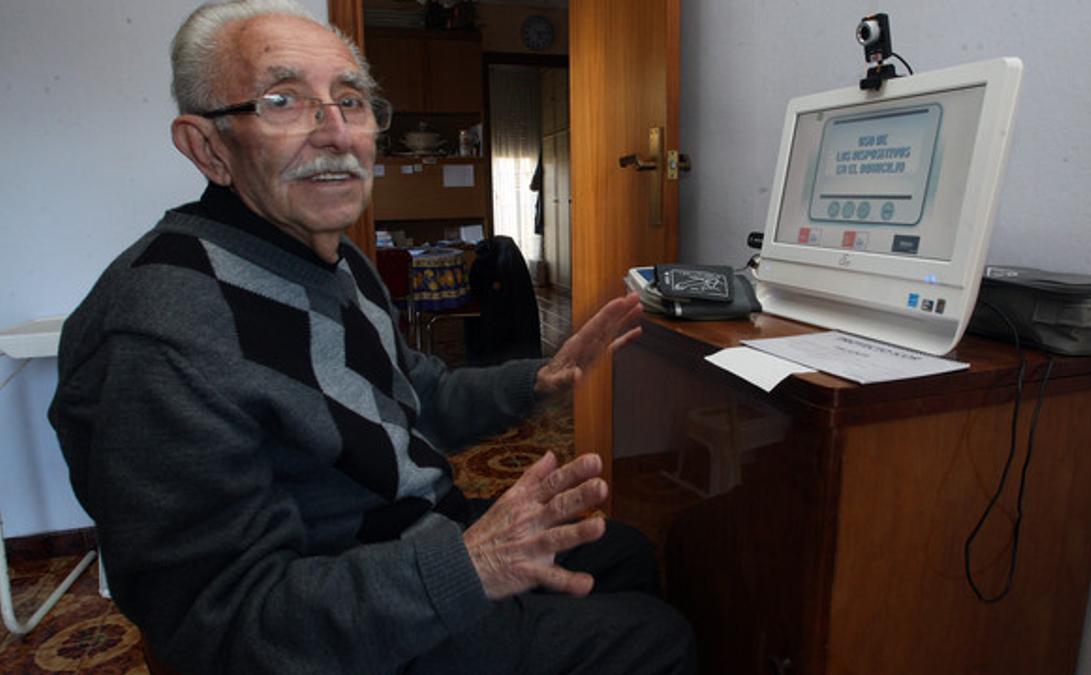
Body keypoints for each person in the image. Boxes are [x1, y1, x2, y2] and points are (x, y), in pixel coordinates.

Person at [48, 1, 696, 673]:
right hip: (351, 617)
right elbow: (217, 622)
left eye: (352, 101)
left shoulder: (338, 258)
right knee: (656, 637)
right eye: (283, 100)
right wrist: (466, 566)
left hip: (411, 532)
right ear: (208, 146)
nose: (335, 133)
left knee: (625, 550)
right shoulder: (157, 329)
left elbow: (420, 393)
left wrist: (539, 377)